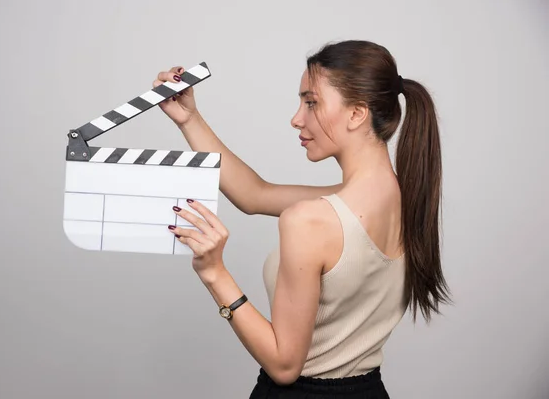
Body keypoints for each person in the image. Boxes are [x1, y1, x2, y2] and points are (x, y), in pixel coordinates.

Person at [155, 39, 451, 398]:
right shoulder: (407, 199)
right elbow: (254, 195)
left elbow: (283, 366)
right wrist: (190, 119)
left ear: (357, 114)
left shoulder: (312, 220)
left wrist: (214, 273)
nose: (297, 118)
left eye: (311, 103)